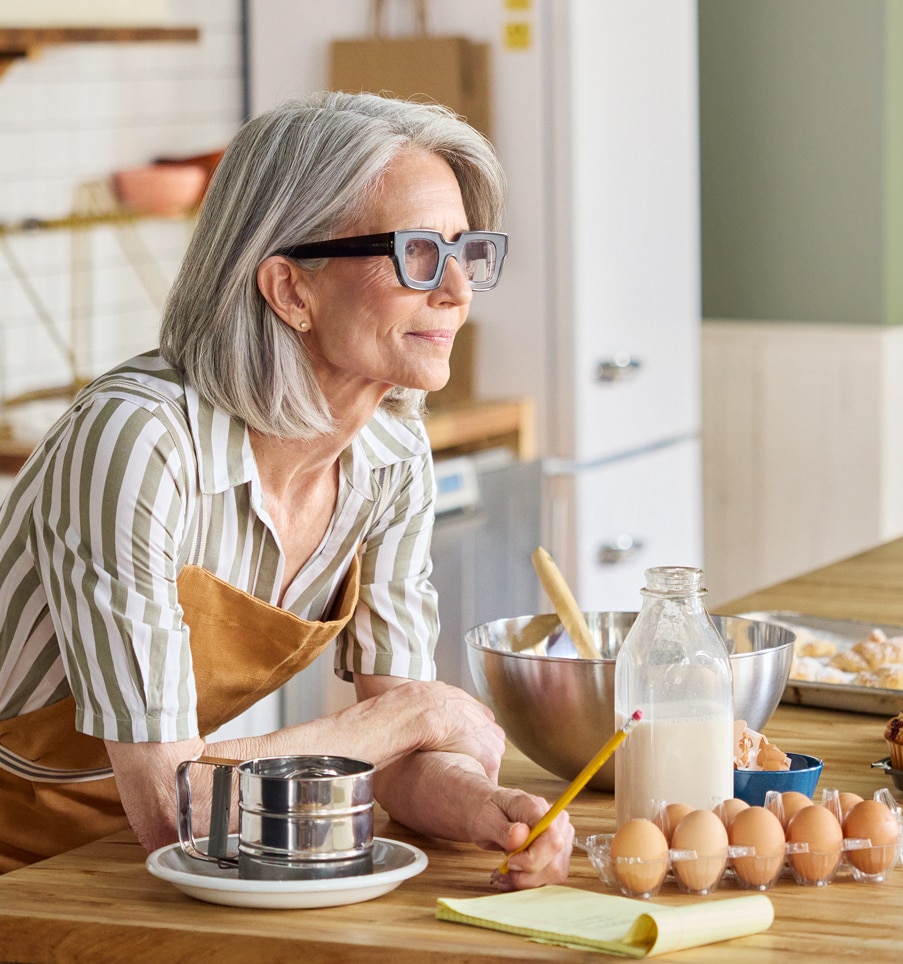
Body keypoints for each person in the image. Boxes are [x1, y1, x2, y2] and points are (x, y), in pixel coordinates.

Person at [0, 91, 572, 888]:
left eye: (464, 252)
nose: (456, 291)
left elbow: (400, 755)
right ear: (290, 289)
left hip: (160, 855)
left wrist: (484, 804)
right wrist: (406, 716)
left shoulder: (391, 449)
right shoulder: (140, 444)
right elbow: (173, 807)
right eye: (416, 253)